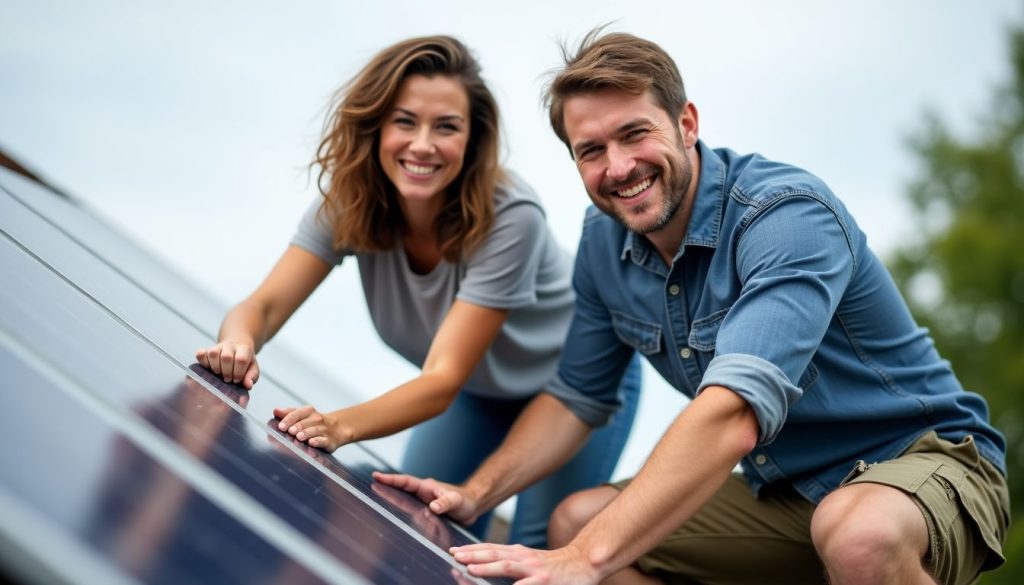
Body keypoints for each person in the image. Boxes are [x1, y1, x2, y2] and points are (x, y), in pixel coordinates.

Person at [374, 30, 1010, 584]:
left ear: (686, 124)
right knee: (579, 520)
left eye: (634, 134)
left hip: (925, 463)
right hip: (787, 493)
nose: (618, 167)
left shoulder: (785, 215)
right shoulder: (603, 244)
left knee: (858, 534)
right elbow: (576, 399)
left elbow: (734, 414)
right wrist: (474, 493)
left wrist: (585, 559)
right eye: (590, 151)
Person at [194, 35, 642, 548]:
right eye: (405, 121)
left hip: (572, 387)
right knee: (414, 528)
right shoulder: (349, 202)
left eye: (446, 127)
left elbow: (442, 379)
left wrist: (338, 426)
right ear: (377, 125)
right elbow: (263, 306)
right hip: (478, 393)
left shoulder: (510, 216)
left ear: (472, 142)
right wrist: (238, 343)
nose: (423, 144)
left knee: (534, 550)